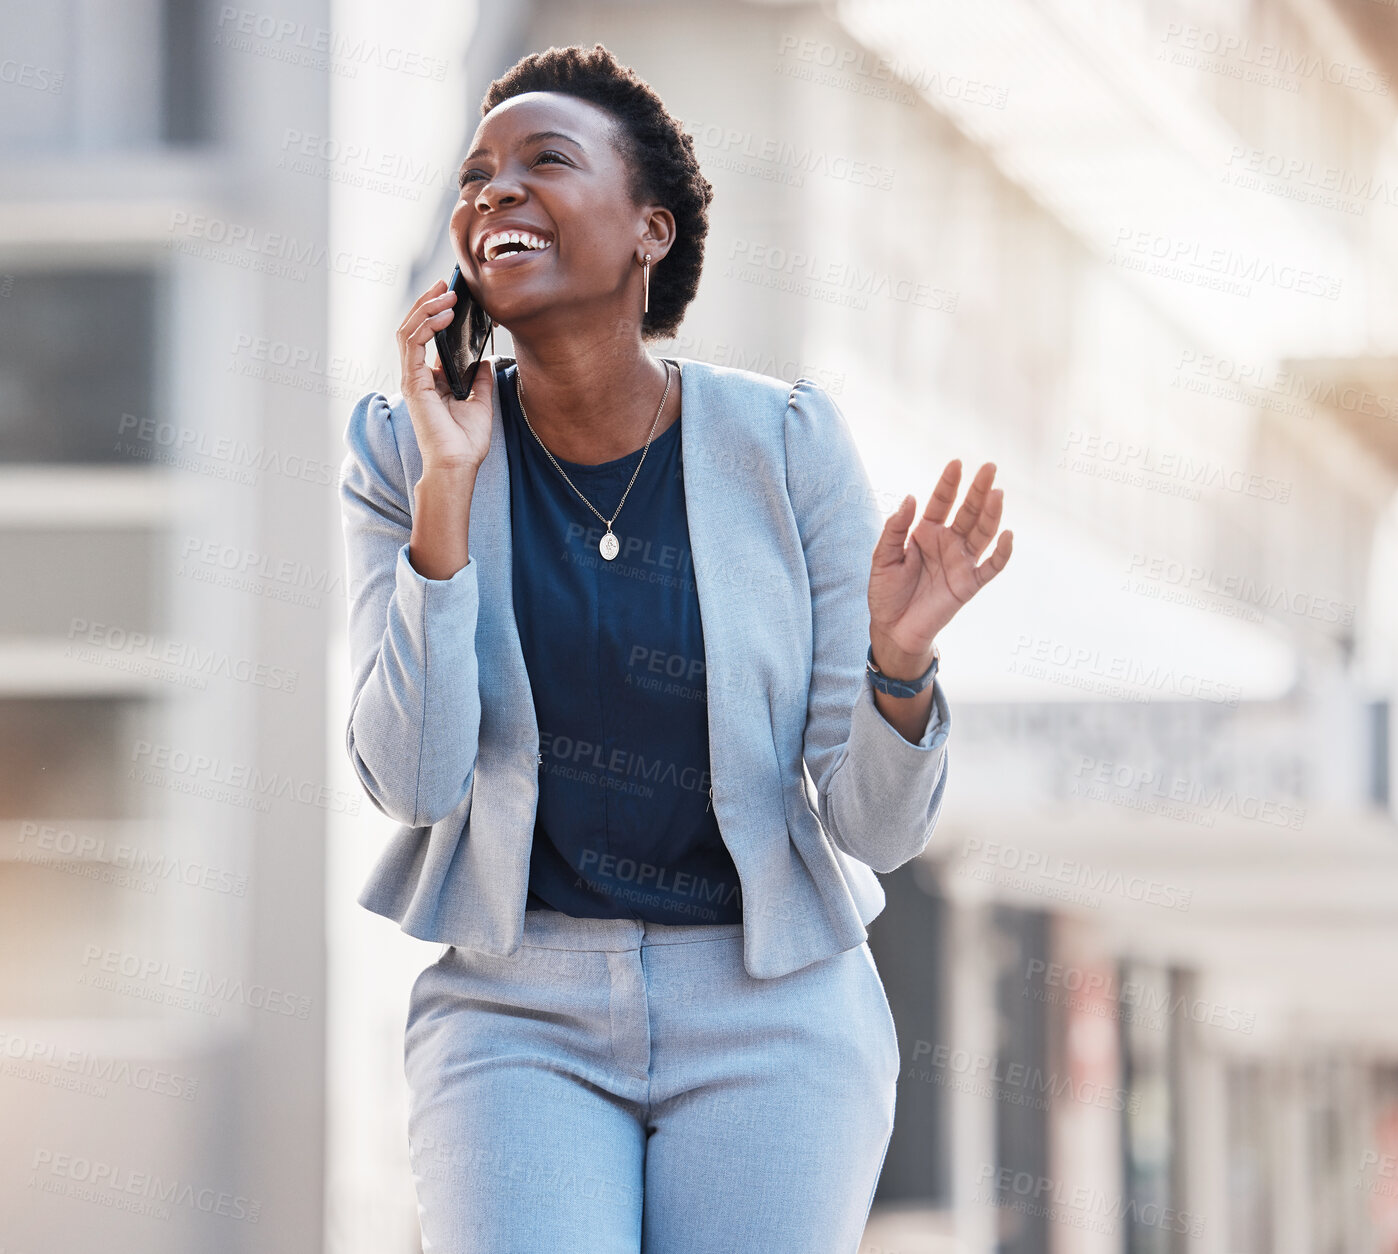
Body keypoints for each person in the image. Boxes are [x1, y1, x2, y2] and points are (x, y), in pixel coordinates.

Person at [339, 42, 1012, 1254]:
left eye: (545, 161)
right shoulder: (400, 451)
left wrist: (897, 667)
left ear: (649, 230)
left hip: (767, 1010)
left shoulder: (787, 443)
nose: (495, 191)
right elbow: (411, 780)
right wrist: (448, 492)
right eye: (477, 173)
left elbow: (873, 828)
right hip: (515, 1009)